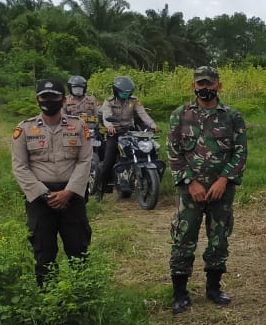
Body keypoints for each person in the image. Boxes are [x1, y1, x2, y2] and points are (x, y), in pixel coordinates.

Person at [166, 65, 247, 314]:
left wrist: (224, 180)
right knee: (183, 238)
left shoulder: (232, 117)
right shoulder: (180, 115)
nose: (205, 89)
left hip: (221, 191)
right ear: (194, 86)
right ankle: (180, 293)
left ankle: (213, 289)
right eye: (201, 84)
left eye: (209, 84)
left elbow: (240, 153)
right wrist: (190, 182)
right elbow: (174, 152)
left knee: (219, 239)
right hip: (190, 192)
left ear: (218, 86)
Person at [11, 78, 94, 286]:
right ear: (37, 100)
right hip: (40, 199)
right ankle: (48, 299)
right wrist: (44, 194)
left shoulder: (78, 126)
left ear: (63, 99)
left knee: (78, 250)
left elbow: (85, 160)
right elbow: (20, 167)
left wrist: (69, 191)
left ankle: (81, 296)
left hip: (72, 197)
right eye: (44, 97)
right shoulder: (24, 129)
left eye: (54, 96)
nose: (49, 101)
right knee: (44, 253)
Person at [98, 75, 157, 195]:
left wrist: (153, 125)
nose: (126, 95)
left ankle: (147, 179)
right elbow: (106, 116)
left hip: (130, 132)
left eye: (128, 93)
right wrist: (109, 126)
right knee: (108, 162)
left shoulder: (134, 100)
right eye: (123, 93)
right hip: (114, 133)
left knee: (149, 150)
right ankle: (101, 189)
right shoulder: (108, 102)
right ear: (116, 91)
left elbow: (143, 114)